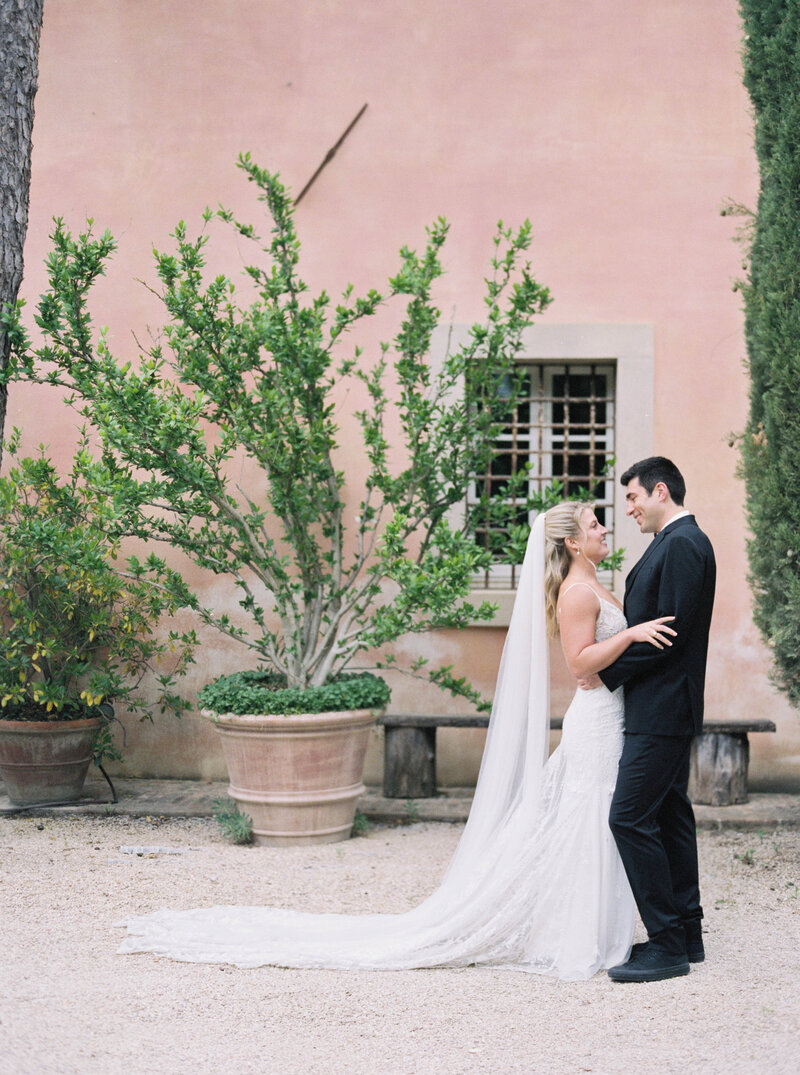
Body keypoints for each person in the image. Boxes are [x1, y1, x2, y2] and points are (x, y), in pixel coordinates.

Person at [118, 502, 673, 979]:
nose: (605, 529)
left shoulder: (596, 581)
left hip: (612, 715)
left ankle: (593, 927)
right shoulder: (578, 593)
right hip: (598, 717)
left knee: (597, 816)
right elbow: (580, 663)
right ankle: (576, 935)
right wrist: (629, 633)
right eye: (596, 523)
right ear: (572, 541)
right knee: (590, 813)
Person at [594, 458, 716, 984]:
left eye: (633, 498)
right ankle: (687, 932)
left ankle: (667, 943)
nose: (629, 510)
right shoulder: (673, 542)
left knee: (627, 817)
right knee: (669, 815)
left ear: (659, 490)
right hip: (660, 704)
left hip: (664, 705)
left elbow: (668, 632)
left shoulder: (685, 543)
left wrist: (605, 673)